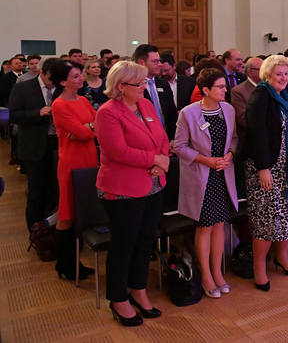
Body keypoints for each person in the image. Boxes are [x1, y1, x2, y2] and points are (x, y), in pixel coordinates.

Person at [95, 61, 170, 326]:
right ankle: (118, 298)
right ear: (119, 86)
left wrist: (161, 158)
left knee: (145, 240)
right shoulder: (107, 112)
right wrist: (155, 159)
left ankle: (138, 290)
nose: (144, 87)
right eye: (138, 83)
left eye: (145, 82)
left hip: (153, 185)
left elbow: (161, 136)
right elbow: (118, 151)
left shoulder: (145, 105)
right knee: (124, 245)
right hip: (123, 189)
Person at [174, 68, 238, 298]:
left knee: (220, 223)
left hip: (223, 173)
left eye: (224, 86)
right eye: (220, 87)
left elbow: (234, 138)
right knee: (205, 226)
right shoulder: (188, 113)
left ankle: (218, 271)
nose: (225, 90)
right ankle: (206, 275)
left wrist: (230, 154)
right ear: (206, 90)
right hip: (202, 176)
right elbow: (179, 147)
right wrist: (206, 160)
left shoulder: (228, 110)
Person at [243, 56, 288, 290]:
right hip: (267, 168)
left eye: (286, 74)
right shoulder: (261, 96)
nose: (283, 78)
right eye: (278, 74)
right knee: (266, 219)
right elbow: (257, 134)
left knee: (286, 215)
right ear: (267, 74)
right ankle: (259, 267)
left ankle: (283, 257)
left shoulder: (285, 96)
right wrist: (263, 168)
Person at [50, 60, 98, 281]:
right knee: (67, 213)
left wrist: (87, 128)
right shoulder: (59, 105)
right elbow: (83, 132)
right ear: (63, 82)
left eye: (81, 75)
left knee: (84, 211)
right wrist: (88, 128)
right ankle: (65, 262)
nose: (81, 79)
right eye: (76, 76)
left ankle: (74, 262)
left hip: (90, 158)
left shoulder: (83, 100)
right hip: (71, 162)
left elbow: (98, 125)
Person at [7, 57, 59, 231]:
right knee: (37, 190)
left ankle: (53, 228)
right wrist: (38, 113)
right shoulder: (23, 88)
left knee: (56, 189)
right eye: (51, 79)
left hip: (58, 144)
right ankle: (35, 230)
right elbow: (13, 115)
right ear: (41, 73)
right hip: (34, 145)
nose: (54, 83)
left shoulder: (62, 87)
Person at [133, 44, 178, 140]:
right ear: (141, 63)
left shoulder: (163, 84)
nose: (160, 65)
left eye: (159, 61)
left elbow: (172, 114)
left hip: (167, 139)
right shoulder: (133, 86)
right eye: (155, 61)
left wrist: (172, 139)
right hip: (144, 139)